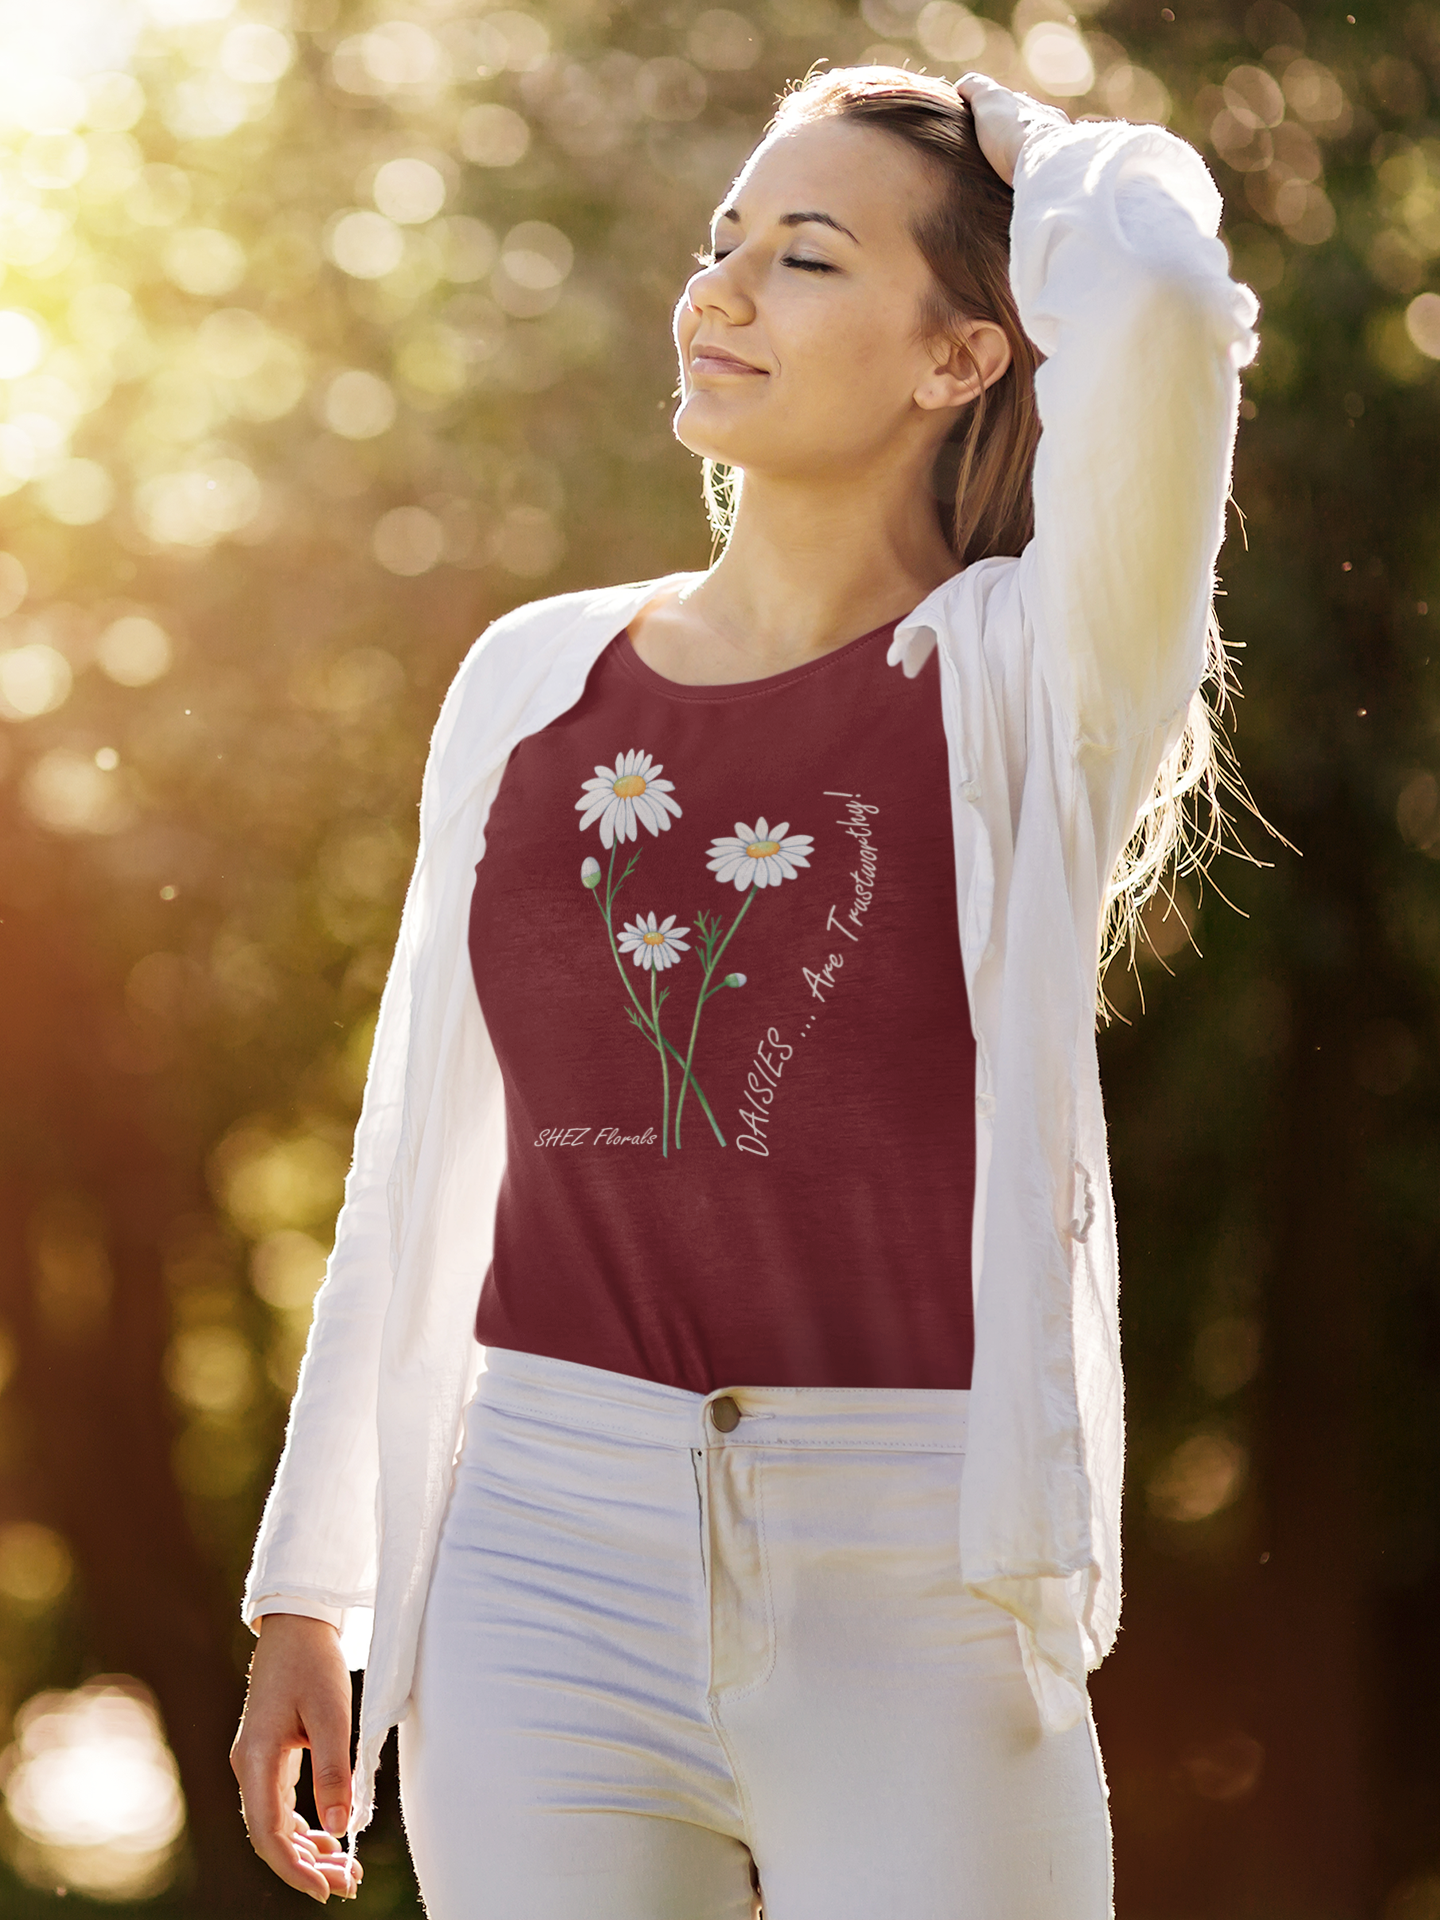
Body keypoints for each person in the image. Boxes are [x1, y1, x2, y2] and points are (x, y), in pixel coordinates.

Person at [230, 64, 1258, 1918]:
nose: (717, 295)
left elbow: (1174, 305)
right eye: (720, 248)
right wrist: (318, 1578)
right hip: (538, 1555)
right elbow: (413, 1163)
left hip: (916, 1576)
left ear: (964, 357)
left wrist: (1002, 136)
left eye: (800, 259)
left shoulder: (1027, 679)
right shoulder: (531, 683)